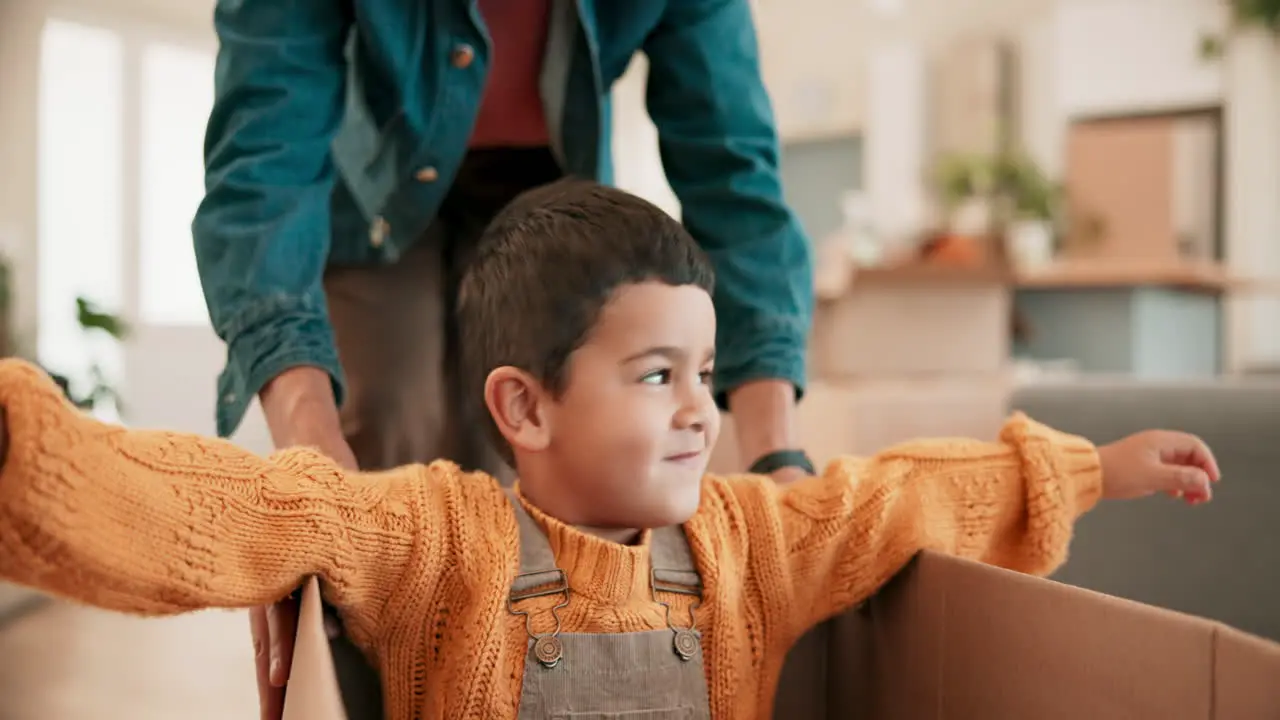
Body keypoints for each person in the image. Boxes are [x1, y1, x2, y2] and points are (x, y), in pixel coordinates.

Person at [0, 181, 1220, 719]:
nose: (700, 409)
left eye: (703, 372)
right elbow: (239, 512)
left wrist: (1087, 469)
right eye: (655, 377)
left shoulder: (747, 540)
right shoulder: (436, 537)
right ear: (524, 411)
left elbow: (897, 502)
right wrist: (31, 453)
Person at [193, 3, 815, 714]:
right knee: (383, 451)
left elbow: (734, 175)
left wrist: (775, 463)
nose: (698, 414)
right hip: (373, 204)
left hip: (552, 189)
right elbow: (263, 163)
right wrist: (311, 478)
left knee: (533, 494)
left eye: (698, 377)